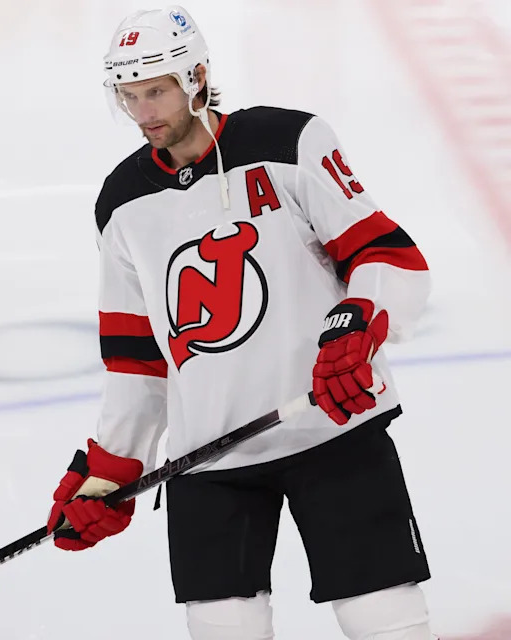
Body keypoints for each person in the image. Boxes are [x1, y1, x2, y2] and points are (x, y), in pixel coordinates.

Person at [45, 6, 436, 640]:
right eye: (129, 96)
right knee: (222, 628)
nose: (143, 112)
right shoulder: (120, 203)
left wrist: (355, 324)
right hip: (207, 457)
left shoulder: (288, 142)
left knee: (382, 619)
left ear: (196, 77)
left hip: (330, 426)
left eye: (156, 91)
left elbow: (385, 254)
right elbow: (136, 356)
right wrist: (111, 467)